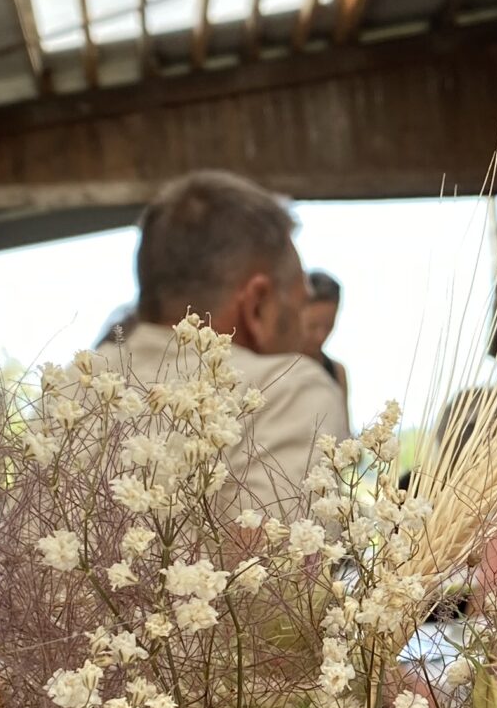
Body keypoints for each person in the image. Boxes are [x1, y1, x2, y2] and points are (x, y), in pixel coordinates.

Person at [120, 171, 348, 505]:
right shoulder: (290, 393)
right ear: (256, 306)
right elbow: (287, 556)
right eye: (298, 307)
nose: (306, 335)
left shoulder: (67, 391)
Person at [302, 269, 351, 408]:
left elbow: (343, 429)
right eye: (313, 326)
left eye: (328, 326)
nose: (320, 337)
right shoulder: (275, 364)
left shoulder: (337, 372)